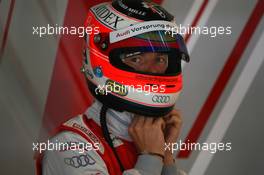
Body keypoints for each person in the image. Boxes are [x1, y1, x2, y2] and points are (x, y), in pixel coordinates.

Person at [36, 0, 190, 174]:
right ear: (99, 57)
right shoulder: (69, 146)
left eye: (160, 59)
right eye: (136, 59)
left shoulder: (154, 138)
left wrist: (165, 155)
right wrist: (150, 158)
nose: (154, 70)